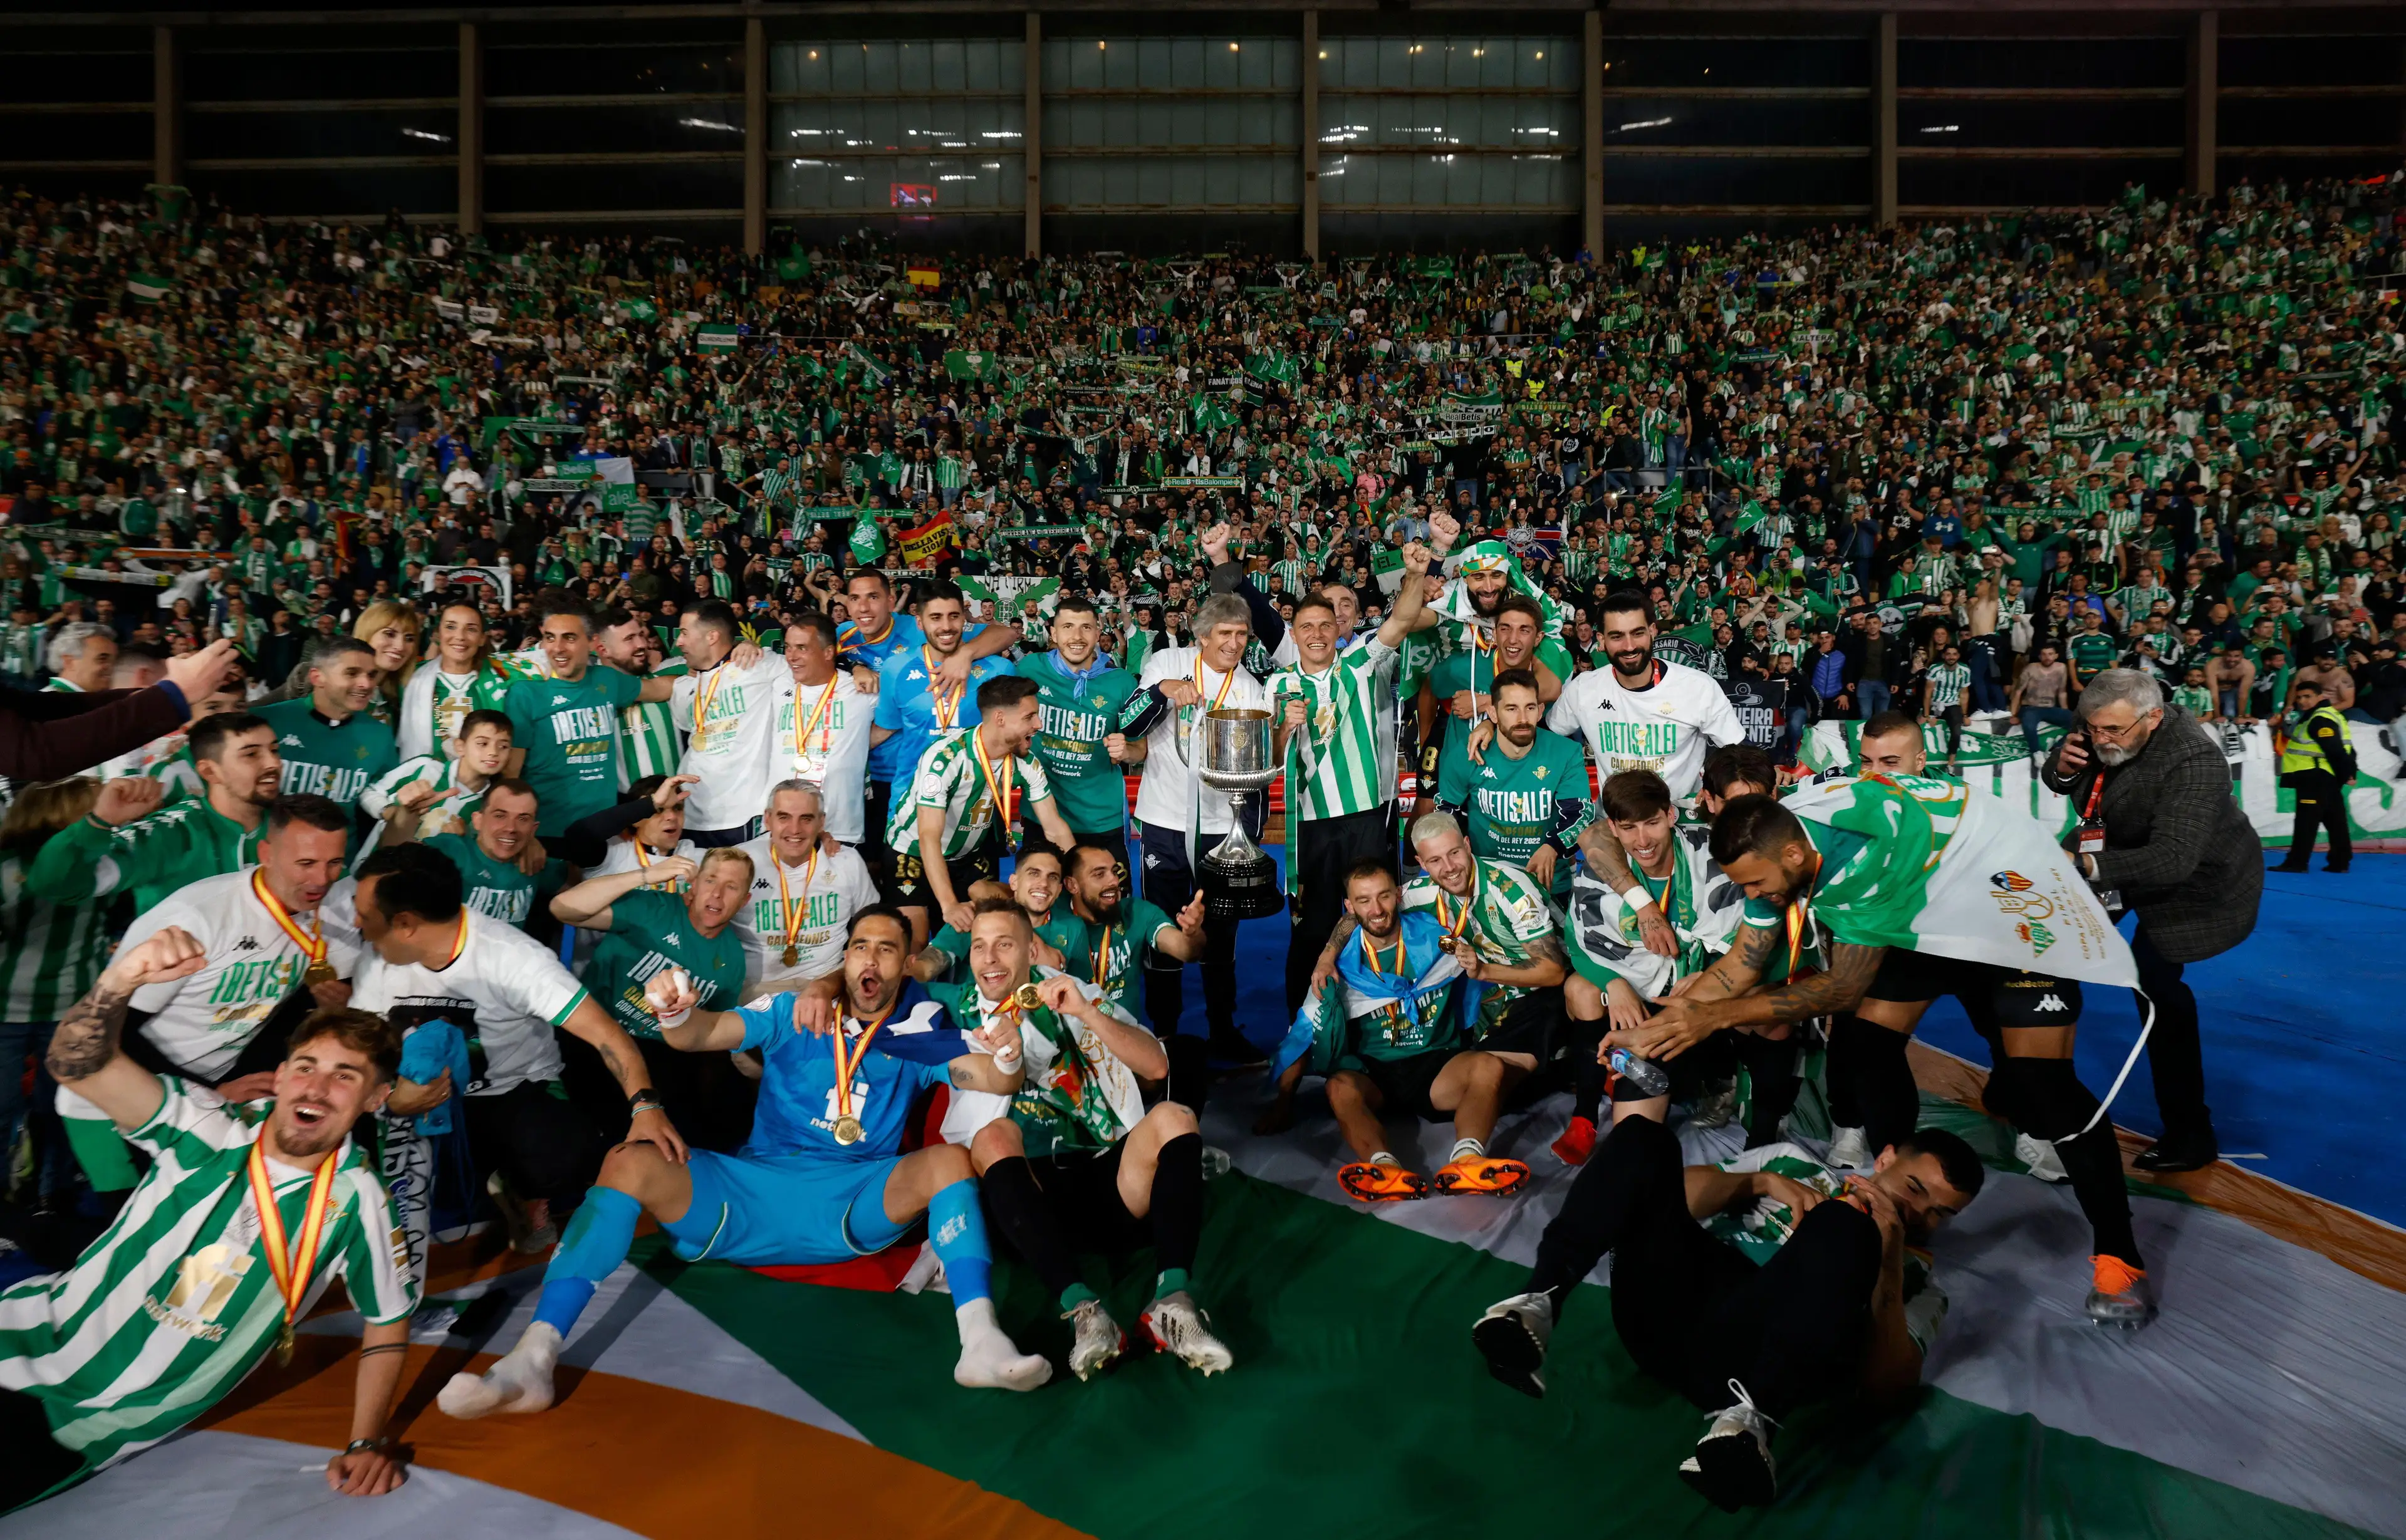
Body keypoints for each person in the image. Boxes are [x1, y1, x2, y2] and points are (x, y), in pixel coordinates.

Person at [435, 905, 1048, 1417]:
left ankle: (980, 1343)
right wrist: (674, 1012)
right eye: (860, 945)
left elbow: (991, 1074)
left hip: (853, 1200)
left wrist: (1011, 1052)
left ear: (904, 964)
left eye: (887, 949)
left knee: (948, 1161)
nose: (871, 958)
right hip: (749, 1194)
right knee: (627, 1159)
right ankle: (534, 1358)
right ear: (846, 957)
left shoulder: (919, 1033)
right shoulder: (789, 1011)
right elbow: (699, 1034)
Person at [1626, 785, 2157, 1327]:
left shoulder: (1861, 865)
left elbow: (1841, 991)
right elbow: (1742, 962)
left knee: (2046, 1091)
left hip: (2011, 915)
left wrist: (1711, 1018)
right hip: (1928, 915)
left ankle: (2120, 1256)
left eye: (1756, 883)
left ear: (1792, 856)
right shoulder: (1778, 833)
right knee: (1864, 1047)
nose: (1753, 894)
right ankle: (1891, 1194)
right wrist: (1658, 1024)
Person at [6, 954, 415, 1511]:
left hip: (91, 1421)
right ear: (283, 1071)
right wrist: (119, 981)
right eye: (305, 1066)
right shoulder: (208, 1129)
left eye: (345, 1077)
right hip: (20, 1334)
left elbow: (389, 1319)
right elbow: (76, 1065)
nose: (316, 1089)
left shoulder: (359, 1201)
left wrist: (366, 1441)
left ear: (375, 1099)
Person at [1472, 1116, 1984, 1511]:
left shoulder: (1921, 1280)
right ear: (1887, 1157)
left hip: (1751, 1362)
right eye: (1916, 1189)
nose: (1920, 1214)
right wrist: (1758, 1183)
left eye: (1941, 1213)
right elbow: (1666, 1199)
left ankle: (1747, 1427)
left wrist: (1888, 1264)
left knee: (1844, 1227)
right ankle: (1534, 1305)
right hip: (1667, 1310)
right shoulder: (1790, 1163)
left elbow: (1886, 1390)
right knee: (1643, 1138)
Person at [341, 841, 687, 1252]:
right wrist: (391, 1097)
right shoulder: (374, 960)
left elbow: (606, 1034)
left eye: (365, 916)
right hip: (417, 1095)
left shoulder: (514, 959)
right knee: (350, 1121)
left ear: (406, 924)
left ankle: (520, 1186)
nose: (356, 924)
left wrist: (646, 1107)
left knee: (566, 1157)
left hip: (510, 1093)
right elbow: (357, 1055)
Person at [957, 900, 1233, 1380]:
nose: (990, 959)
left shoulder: (1071, 990)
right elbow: (984, 1078)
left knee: (1175, 1116)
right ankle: (1085, 1312)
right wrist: (1006, 1055)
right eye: (979, 947)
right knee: (992, 1137)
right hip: (1035, 1199)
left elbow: (1156, 1067)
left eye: (1004, 944)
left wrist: (1087, 1011)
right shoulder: (962, 1011)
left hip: (1116, 1180)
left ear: (1030, 950)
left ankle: (1172, 1303)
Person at [54, 794, 360, 1204]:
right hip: (110, 1096)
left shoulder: (322, 911)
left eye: (334, 863)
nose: (321, 880)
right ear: (266, 853)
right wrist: (207, 1095)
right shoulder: (198, 917)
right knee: (138, 1232)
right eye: (305, 864)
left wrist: (337, 1002)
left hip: (206, 1093)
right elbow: (115, 1034)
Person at [2040, 669, 2263, 1170]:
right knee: (2044, 945)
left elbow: (2174, 858)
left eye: (2113, 733)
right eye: (2093, 730)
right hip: (2114, 844)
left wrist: (2086, 865)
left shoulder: (2196, 757)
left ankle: (2191, 1131)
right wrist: (2064, 765)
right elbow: (2061, 778)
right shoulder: (2103, 714)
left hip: (2194, 878)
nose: (2100, 740)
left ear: (2154, 716)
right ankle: (2033, 1090)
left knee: (2156, 987)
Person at [1266, 858, 1543, 1202]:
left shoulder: (1436, 940)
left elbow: (1482, 966)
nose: (1377, 909)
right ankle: (1384, 1169)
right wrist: (1283, 1103)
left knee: (1488, 1066)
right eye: (1364, 901)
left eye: (1384, 896)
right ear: (1350, 908)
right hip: (1374, 1075)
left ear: (1399, 895)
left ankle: (1468, 1160)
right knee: (1338, 1087)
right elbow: (1305, 1027)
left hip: (1436, 1068)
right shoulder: (1340, 966)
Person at [1118, 591, 1273, 1101]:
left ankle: (1222, 1028)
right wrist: (1163, 691)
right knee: (1163, 926)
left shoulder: (1252, 688)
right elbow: (1130, 723)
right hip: (1163, 819)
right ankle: (1162, 1032)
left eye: (1241, 635)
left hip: (1219, 826)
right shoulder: (1168, 661)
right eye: (1223, 634)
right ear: (1202, 636)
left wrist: (1246, 834)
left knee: (1220, 932)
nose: (1233, 643)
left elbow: (1254, 775)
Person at [1269, 539, 1430, 1014]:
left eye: (1325, 624)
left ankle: (1385, 1006)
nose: (1317, 634)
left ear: (1339, 629)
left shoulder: (1361, 663)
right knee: (1313, 923)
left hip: (1366, 815)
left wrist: (1416, 576)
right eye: (1306, 627)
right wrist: (1284, 728)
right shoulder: (1277, 685)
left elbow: (1400, 621)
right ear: (1293, 634)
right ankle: (1303, 1018)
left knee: (1376, 912)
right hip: (1313, 823)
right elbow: (1272, 760)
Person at [550, 848, 755, 1151]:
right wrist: (645, 876)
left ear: (744, 901)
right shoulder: (653, 907)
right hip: (596, 1030)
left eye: (732, 887)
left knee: (699, 1133)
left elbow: (711, 1034)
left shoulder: (733, 960)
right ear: (694, 885)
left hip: (662, 1052)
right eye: (711, 881)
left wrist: (691, 1014)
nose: (717, 894)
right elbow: (562, 908)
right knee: (595, 1134)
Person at [885, 674, 1075, 951]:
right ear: (1000, 719)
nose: (1038, 725)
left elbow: (1055, 828)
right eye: (1029, 717)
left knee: (999, 915)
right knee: (913, 944)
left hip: (966, 857)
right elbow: (928, 836)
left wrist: (1077, 881)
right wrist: (949, 905)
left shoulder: (1026, 762)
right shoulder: (946, 757)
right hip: (911, 852)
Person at [29, 711, 284, 913]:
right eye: (251, 755)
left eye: (274, 750)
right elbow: (56, 885)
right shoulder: (170, 834)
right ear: (209, 772)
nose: (273, 763)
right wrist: (99, 823)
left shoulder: (293, 823)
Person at [1541, 589, 1744, 802]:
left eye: (1638, 633)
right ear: (1601, 640)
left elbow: (1739, 753)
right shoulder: (1583, 689)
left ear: (1653, 631)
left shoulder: (1698, 687)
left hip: (1679, 818)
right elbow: (1547, 736)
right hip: (1613, 821)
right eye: (1617, 636)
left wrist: (1713, 786)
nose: (1629, 646)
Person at [503, 597, 677, 841]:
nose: (558, 648)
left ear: (592, 642)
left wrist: (721, 668)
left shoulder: (606, 680)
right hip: (548, 837)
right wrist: (521, 837)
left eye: (569, 638)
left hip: (605, 834)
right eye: (550, 638)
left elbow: (660, 688)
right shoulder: (525, 694)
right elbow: (509, 779)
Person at [1434, 666, 1591, 913]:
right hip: (1486, 881)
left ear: (1540, 711)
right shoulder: (1467, 755)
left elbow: (1579, 814)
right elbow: (1446, 815)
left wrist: (1554, 847)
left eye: (1530, 708)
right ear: (1493, 714)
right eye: (1511, 709)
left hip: (1548, 881)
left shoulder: (1565, 753)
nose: (1522, 718)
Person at [1018, 595, 1142, 875]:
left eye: (1086, 627)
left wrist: (1127, 752)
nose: (1077, 636)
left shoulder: (1121, 682)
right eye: (1068, 627)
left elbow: (1140, 749)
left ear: (1099, 632)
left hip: (1102, 819)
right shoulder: (1029, 669)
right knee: (1042, 908)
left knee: (1110, 909)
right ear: (1053, 632)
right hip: (1043, 815)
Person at [870, 582, 1016, 811]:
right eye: (936, 617)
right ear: (920, 622)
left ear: (964, 619)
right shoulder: (896, 668)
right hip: (912, 802)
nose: (946, 626)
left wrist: (965, 654)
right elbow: (886, 727)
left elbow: (1006, 633)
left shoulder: (999, 670)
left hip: (974, 806)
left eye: (954, 616)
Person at [732, 779, 881, 992]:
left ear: (821, 823)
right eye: (784, 817)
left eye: (806, 819)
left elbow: (873, 926)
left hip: (829, 981)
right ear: (768, 820)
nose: (795, 829)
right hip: (757, 987)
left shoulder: (846, 861)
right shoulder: (739, 862)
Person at [670, 599, 787, 847]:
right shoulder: (684, 686)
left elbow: (811, 668)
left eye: (684, 633)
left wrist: (857, 668)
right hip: (690, 814)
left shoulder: (757, 663)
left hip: (741, 815)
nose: (678, 642)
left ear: (712, 636)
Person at [253, 637, 400, 808]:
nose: (366, 684)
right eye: (352, 673)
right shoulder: (265, 721)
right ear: (317, 677)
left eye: (371, 675)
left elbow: (382, 794)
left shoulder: (379, 735)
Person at [774, 610, 873, 847]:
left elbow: (899, 716)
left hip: (841, 828)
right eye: (788, 647)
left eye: (802, 648)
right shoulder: (778, 681)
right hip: (782, 828)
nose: (792, 657)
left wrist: (861, 741)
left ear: (829, 652)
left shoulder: (859, 688)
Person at [418, 777, 570, 925]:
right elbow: (398, 864)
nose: (511, 828)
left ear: (533, 829)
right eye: (500, 816)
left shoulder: (535, 862)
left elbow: (580, 889)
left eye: (523, 819)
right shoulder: (451, 849)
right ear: (478, 820)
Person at [362, 707, 514, 851]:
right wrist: (390, 812)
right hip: (371, 866)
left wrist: (464, 840)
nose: (493, 752)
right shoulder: (424, 767)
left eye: (503, 746)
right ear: (460, 747)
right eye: (483, 744)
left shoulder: (491, 806)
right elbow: (369, 792)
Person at [396, 600, 516, 762]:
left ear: (482, 638)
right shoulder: (410, 680)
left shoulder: (502, 682)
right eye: (451, 627)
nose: (460, 637)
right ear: (438, 633)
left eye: (471, 629)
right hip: (422, 781)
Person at [2268, 677, 2358, 875]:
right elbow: (2349, 748)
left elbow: (2335, 750)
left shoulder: (2319, 718)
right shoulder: (2328, 715)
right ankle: (2340, 862)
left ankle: (2297, 863)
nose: (2302, 701)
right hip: (2325, 777)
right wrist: (2349, 771)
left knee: (2306, 822)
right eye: (2299, 697)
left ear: (2321, 696)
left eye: (2308, 697)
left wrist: (2347, 774)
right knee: (2335, 821)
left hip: (2314, 777)